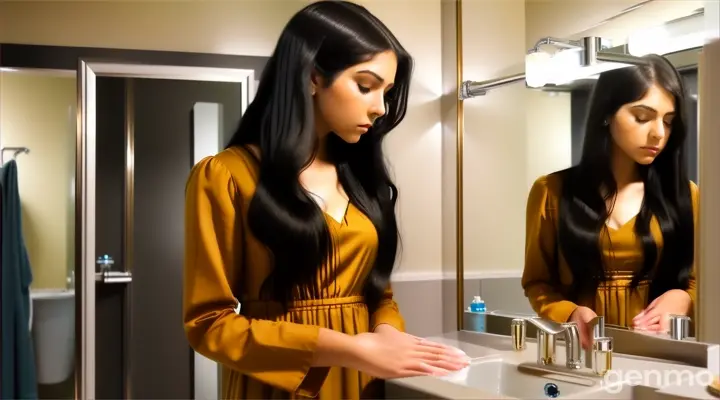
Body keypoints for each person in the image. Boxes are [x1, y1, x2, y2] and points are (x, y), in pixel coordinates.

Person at [182, 2, 469, 399]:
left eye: (386, 92)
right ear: (313, 76)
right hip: (278, 386)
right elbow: (208, 324)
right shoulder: (226, 176)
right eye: (365, 86)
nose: (380, 108)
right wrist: (349, 349)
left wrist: (386, 335)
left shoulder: (363, 179)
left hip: (367, 384)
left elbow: (379, 293)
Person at [521, 53, 698, 349]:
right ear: (606, 112)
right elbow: (537, 283)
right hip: (582, 352)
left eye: (668, 122)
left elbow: (701, 280)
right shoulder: (551, 191)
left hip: (663, 352)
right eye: (642, 117)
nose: (658, 133)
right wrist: (569, 313)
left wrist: (685, 299)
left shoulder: (686, 195)